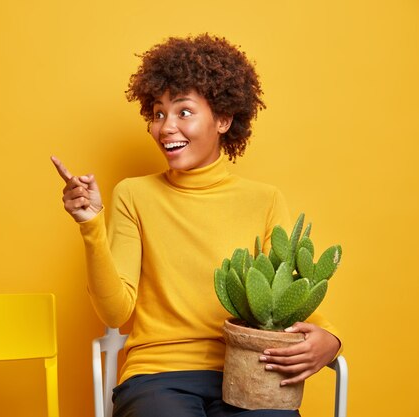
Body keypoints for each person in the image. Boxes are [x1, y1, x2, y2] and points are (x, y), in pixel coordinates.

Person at [52, 34, 341, 417]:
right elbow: (115, 313)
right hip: (156, 376)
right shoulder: (133, 195)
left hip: (247, 370)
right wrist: (91, 226)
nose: (166, 127)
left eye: (183, 112)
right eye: (158, 114)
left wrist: (332, 338)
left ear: (223, 119)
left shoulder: (265, 200)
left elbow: (285, 294)